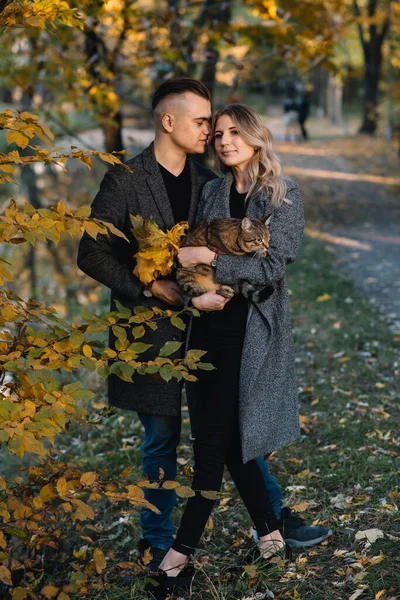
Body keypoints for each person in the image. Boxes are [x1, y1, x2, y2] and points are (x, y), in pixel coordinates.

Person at [77, 80, 331, 572]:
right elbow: (91, 250)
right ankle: (160, 542)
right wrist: (152, 287)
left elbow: (248, 252)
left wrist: (211, 272)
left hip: (215, 325)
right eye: (204, 125)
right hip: (151, 332)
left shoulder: (205, 182)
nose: (213, 136)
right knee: (161, 438)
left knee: (230, 426)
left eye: (220, 128)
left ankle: (273, 517)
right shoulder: (127, 179)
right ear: (168, 121)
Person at [154, 103, 318, 595]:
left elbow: (270, 269)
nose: (224, 140)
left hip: (250, 332)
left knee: (213, 447)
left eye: (234, 132)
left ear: (255, 136)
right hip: (205, 328)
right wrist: (193, 288)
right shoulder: (211, 192)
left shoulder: (284, 197)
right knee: (227, 441)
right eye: (218, 133)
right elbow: (189, 259)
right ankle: (271, 539)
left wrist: (213, 261)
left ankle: (176, 560)